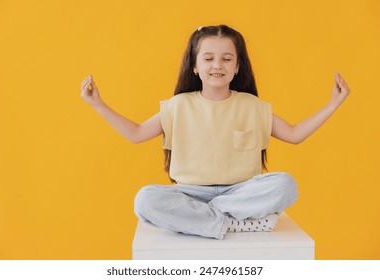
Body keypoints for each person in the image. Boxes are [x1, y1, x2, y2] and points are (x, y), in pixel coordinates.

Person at [80, 25, 350, 240]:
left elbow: (294, 134)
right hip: (189, 195)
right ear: (195, 66)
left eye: (226, 59)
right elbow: (136, 133)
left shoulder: (252, 106)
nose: (217, 65)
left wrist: (333, 104)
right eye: (208, 58)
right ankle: (228, 224)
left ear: (237, 67)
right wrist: (98, 104)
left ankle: (206, 221)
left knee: (286, 184)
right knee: (145, 200)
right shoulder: (178, 106)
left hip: (240, 194)